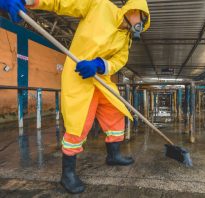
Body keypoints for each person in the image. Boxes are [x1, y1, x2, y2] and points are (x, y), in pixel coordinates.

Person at [0, 0, 150, 194]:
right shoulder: (100, 6)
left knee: (116, 114)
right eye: (143, 17)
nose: (143, 22)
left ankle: (114, 155)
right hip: (79, 77)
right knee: (79, 124)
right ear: (133, 9)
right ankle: (67, 174)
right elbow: (63, 2)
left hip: (101, 79)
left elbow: (119, 61)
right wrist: (31, 1)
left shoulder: (125, 38)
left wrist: (99, 64)